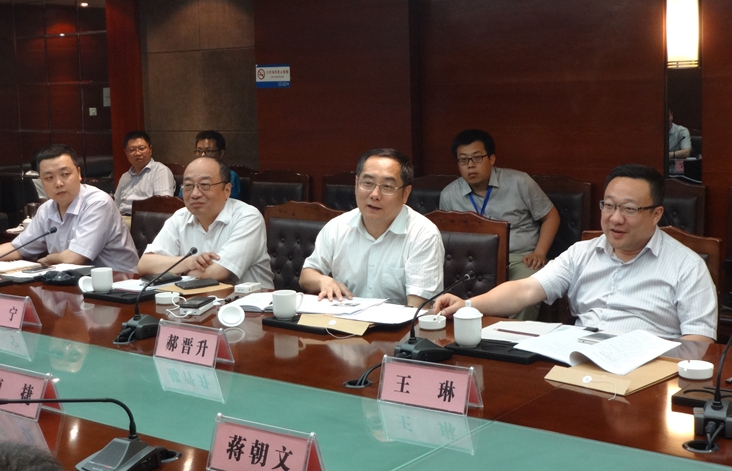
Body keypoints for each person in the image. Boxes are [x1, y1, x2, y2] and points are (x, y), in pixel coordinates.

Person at [434, 164, 717, 343]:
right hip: (581, 359)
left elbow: (699, 341)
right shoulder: (582, 253)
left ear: (656, 214)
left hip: (647, 370)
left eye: (629, 209)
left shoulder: (687, 266)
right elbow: (526, 289)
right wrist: (468, 305)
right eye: (609, 206)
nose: (615, 218)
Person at [439, 129, 560, 320]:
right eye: (463, 160)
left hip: (520, 258)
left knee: (528, 294)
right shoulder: (449, 195)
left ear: (492, 158)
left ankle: (512, 338)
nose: (470, 165)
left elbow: (551, 217)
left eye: (477, 158)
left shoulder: (520, 182)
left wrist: (539, 252)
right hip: (472, 262)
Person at [300, 148, 444, 306]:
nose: (375, 194)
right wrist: (323, 280)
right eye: (368, 183)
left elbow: (418, 308)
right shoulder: (337, 226)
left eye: (387, 186)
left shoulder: (423, 234)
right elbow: (306, 274)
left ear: (405, 193)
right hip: (343, 320)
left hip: (397, 322)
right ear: (356, 184)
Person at [0, 144, 139, 273]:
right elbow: (17, 248)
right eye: (49, 177)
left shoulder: (98, 203)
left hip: (120, 283)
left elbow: (74, 258)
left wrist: (48, 259)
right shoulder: (45, 210)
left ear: (78, 174)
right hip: (72, 282)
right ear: (41, 181)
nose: (58, 183)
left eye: (65, 174)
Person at [138, 156, 273, 286]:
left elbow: (216, 272)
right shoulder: (180, 217)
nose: (195, 194)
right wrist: (189, 262)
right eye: (188, 185)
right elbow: (145, 264)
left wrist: (174, 269)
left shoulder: (248, 217)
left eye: (204, 185)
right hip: (192, 299)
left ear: (227, 190)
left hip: (248, 300)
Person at [114, 131, 176, 225]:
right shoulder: (125, 177)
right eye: (132, 150)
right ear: (126, 152)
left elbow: (163, 205)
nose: (138, 153)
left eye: (142, 148)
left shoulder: (160, 171)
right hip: (121, 219)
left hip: (144, 220)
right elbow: (116, 205)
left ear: (150, 149)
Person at [177, 130, 243, 200]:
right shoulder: (190, 175)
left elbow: (226, 202)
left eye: (208, 151)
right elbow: (181, 200)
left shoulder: (230, 176)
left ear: (221, 153)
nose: (202, 155)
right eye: (199, 151)